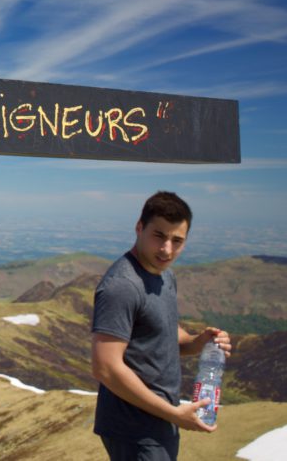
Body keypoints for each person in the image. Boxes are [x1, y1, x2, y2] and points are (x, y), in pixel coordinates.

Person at [90, 191, 233, 461]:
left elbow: (165, 337)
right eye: (159, 235)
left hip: (158, 420)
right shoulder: (122, 286)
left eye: (177, 240)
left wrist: (199, 342)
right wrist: (174, 414)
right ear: (139, 228)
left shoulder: (164, 276)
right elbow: (105, 367)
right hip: (134, 429)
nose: (167, 249)